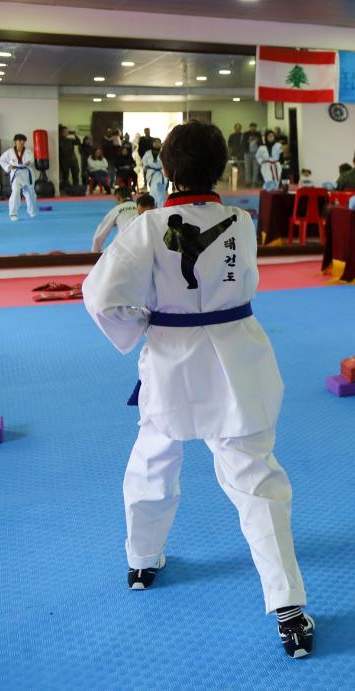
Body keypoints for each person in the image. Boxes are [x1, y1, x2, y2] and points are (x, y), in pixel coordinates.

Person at [81, 121, 314, 659]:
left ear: (165, 170)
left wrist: (143, 325)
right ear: (221, 169)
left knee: (153, 460)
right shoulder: (243, 222)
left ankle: (142, 561)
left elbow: (100, 296)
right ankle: (289, 608)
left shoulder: (147, 227)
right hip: (240, 363)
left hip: (172, 364)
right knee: (256, 480)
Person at [0, 133, 37, 221]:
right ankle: (13, 213)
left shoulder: (28, 151)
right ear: (15, 141)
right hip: (16, 174)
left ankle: (32, 211)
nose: (22, 142)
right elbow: (1, 160)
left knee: (30, 193)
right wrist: (8, 166)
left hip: (27, 174)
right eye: (20, 140)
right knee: (15, 192)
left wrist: (29, 162)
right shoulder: (10, 152)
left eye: (23, 141)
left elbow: (31, 160)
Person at [91, 185, 140, 252]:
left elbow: (99, 236)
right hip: (143, 244)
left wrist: (94, 253)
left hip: (123, 246)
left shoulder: (116, 210)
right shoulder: (140, 207)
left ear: (118, 198)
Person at [141, 138, 168, 207]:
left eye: (158, 142)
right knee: (154, 189)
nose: (156, 143)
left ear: (161, 144)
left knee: (161, 190)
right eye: (155, 142)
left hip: (161, 172)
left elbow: (167, 162)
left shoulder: (164, 152)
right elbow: (144, 162)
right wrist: (145, 167)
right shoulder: (148, 153)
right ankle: (153, 204)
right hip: (151, 172)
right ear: (152, 143)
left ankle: (161, 205)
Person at [58, 125, 80, 191]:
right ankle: (66, 190)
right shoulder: (59, 141)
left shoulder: (70, 140)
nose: (66, 133)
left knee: (75, 174)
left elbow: (78, 142)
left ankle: (76, 189)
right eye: (64, 131)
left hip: (73, 160)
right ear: (61, 132)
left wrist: (75, 135)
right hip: (64, 160)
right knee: (65, 176)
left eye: (67, 131)